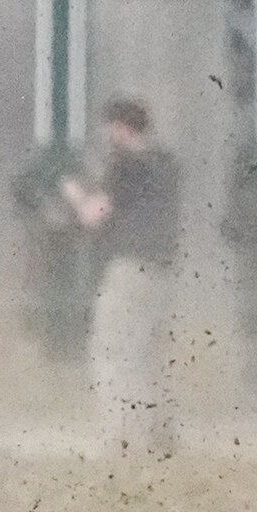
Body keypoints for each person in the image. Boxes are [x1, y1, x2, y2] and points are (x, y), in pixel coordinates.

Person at [62, 98, 182, 457]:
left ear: (121, 127)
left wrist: (73, 192)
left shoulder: (124, 164)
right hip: (162, 271)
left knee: (113, 353)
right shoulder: (167, 162)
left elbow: (94, 215)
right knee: (149, 353)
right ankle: (160, 438)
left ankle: (119, 440)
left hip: (128, 268)